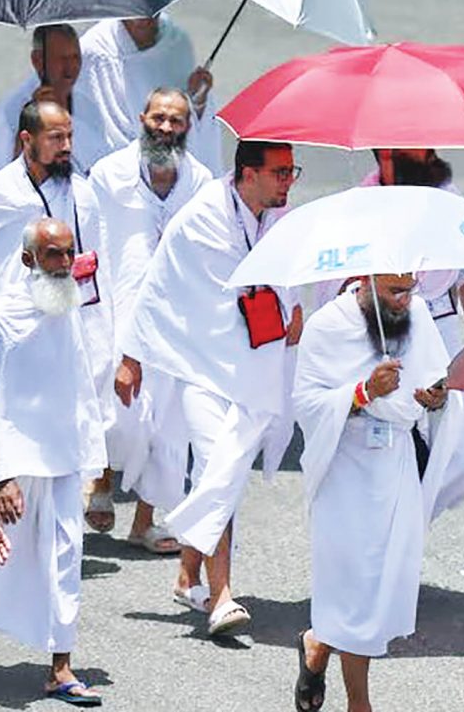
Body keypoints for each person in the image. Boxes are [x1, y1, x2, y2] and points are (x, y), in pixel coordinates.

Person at [116, 140, 301, 632]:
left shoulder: (280, 217)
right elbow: (158, 284)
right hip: (202, 366)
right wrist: (131, 358)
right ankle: (221, 597)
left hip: (255, 367)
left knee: (220, 477)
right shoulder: (201, 217)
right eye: (280, 172)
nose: (288, 181)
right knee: (220, 468)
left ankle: (187, 575)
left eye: (292, 171)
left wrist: (296, 307)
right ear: (248, 174)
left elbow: (289, 275)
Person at [292, 274, 464, 712]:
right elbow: (306, 403)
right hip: (344, 467)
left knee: (379, 586)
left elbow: (439, 384)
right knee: (354, 584)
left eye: (410, 290)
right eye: (395, 292)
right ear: (367, 280)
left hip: (394, 462)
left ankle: (319, 642)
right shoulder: (327, 326)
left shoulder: (417, 315)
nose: (405, 301)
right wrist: (363, 392)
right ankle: (360, 704)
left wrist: (435, 399)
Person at [0, 218, 109, 707]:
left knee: (66, 561)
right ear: (28, 259)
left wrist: (94, 462)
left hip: (63, 459)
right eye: (54, 254)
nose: (66, 264)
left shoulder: (66, 305)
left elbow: (79, 387)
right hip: (11, 461)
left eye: (70, 253)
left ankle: (60, 669)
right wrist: (1, 476)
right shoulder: (4, 313)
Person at [83, 86, 212, 552]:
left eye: (176, 120)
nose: (166, 128)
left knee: (169, 423)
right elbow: (89, 240)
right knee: (115, 410)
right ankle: (100, 479)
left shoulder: (200, 182)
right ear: (142, 118)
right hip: (116, 310)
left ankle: (145, 522)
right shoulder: (108, 174)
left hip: (176, 319)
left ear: (188, 127)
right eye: (159, 118)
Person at [0, 101, 115, 495]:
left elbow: (96, 269)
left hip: (66, 332)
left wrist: (102, 340)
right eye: (55, 138)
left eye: (69, 136)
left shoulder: (83, 193)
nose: (66, 146)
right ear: (27, 139)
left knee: (62, 455)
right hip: (15, 338)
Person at [361, 147, 464, 357]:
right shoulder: (361, 204)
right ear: (384, 155)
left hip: (440, 324)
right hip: (383, 330)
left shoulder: (446, 196)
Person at [79, 14, 223, 174]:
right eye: (135, 12)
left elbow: (196, 124)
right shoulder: (93, 52)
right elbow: (82, 125)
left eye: (152, 13)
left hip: (175, 170)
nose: (145, 19)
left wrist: (198, 98)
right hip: (117, 172)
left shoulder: (175, 42)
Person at [0, 26, 111, 183]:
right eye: (62, 58)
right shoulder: (13, 108)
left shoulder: (88, 105)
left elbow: (102, 160)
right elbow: (4, 172)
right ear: (37, 60)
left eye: (75, 57)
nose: (70, 67)